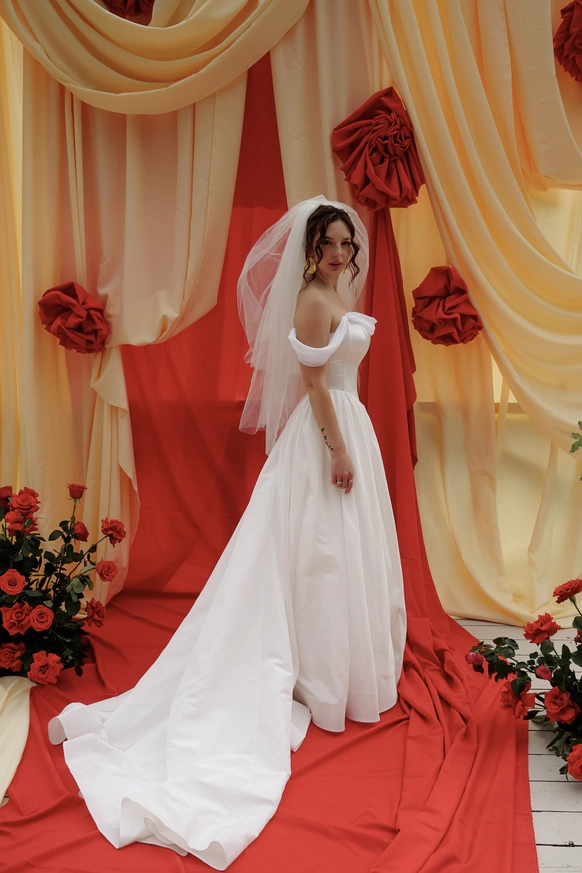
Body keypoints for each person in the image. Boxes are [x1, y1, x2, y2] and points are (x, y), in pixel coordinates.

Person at [48, 196, 406, 870]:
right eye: (329, 244)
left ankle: (339, 660)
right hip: (328, 434)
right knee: (319, 553)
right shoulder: (312, 300)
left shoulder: (335, 291)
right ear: (310, 249)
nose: (339, 253)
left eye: (345, 244)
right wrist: (336, 449)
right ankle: (316, 670)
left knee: (339, 554)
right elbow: (315, 384)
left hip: (349, 424)